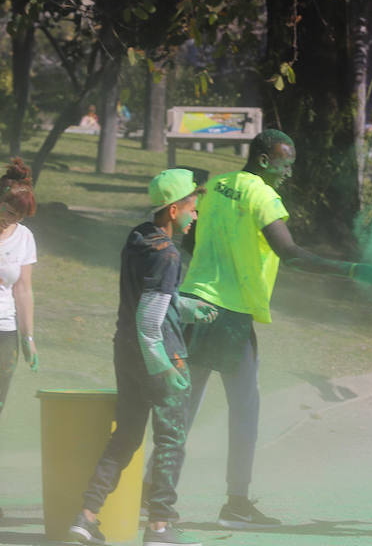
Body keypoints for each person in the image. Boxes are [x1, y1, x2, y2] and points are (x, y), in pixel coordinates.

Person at [143, 129, 372, 529]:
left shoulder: (216, 186)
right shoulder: (264, 197)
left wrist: (209, 266)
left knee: (183, 409)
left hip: (193, 305)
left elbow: (193, 237)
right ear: (265, 160)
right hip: (231, 318)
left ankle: (152, 491)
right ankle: (236, 505)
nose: (288, 172)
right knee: (245, 411)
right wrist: (352, 270)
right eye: (285, 163)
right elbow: (289, 254)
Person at [69, 169, 216, 546]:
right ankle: (159, 527)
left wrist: (185, 307)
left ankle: (86, 517)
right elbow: (150, 318)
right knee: (170, 440)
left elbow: (151, 299)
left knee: (127, 436)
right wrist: (164, 367)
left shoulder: (138, 237)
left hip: (126, 352)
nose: (194, 215)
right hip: (159, 353)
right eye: (191, 207)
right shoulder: (167, 255)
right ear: (172, 210)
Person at [0, 161, 38, 516]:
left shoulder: (23, 237)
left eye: (18, 217)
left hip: (5, 332)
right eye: (8, 212)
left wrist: (29, 337)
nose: (11, 221)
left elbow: (23, 290)